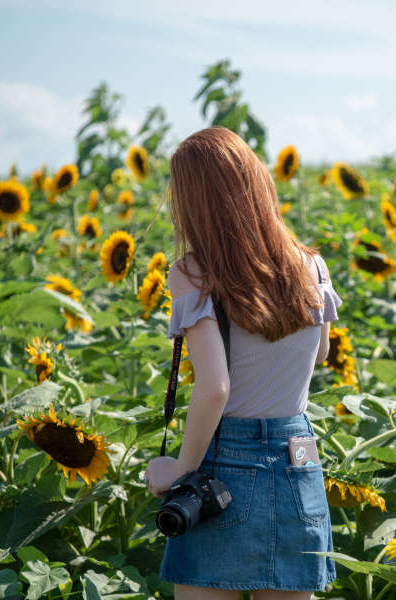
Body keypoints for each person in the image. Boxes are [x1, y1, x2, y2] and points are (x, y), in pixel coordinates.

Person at [145, 127, 340, 599]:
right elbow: (322, 354)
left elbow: (215, 387)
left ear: (194, 203)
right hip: (299, 458)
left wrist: (181, 470)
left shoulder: (193, 272)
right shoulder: (312, 266)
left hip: (225, 465)